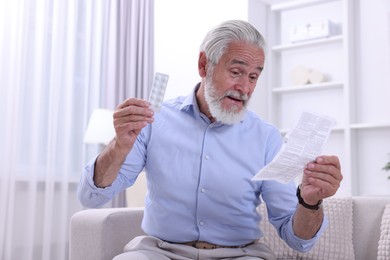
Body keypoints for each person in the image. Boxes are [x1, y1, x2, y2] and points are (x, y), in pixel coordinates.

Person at [78, 20, 343, 260]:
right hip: (160, 252)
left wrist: (309, 202)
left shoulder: (267, 137)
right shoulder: (153, 121)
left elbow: (297, 239)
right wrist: (119, 146)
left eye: (253, 77)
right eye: (236, 72)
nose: (245, 88)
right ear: (204, 65)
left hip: (240, 255)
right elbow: (91, 197)